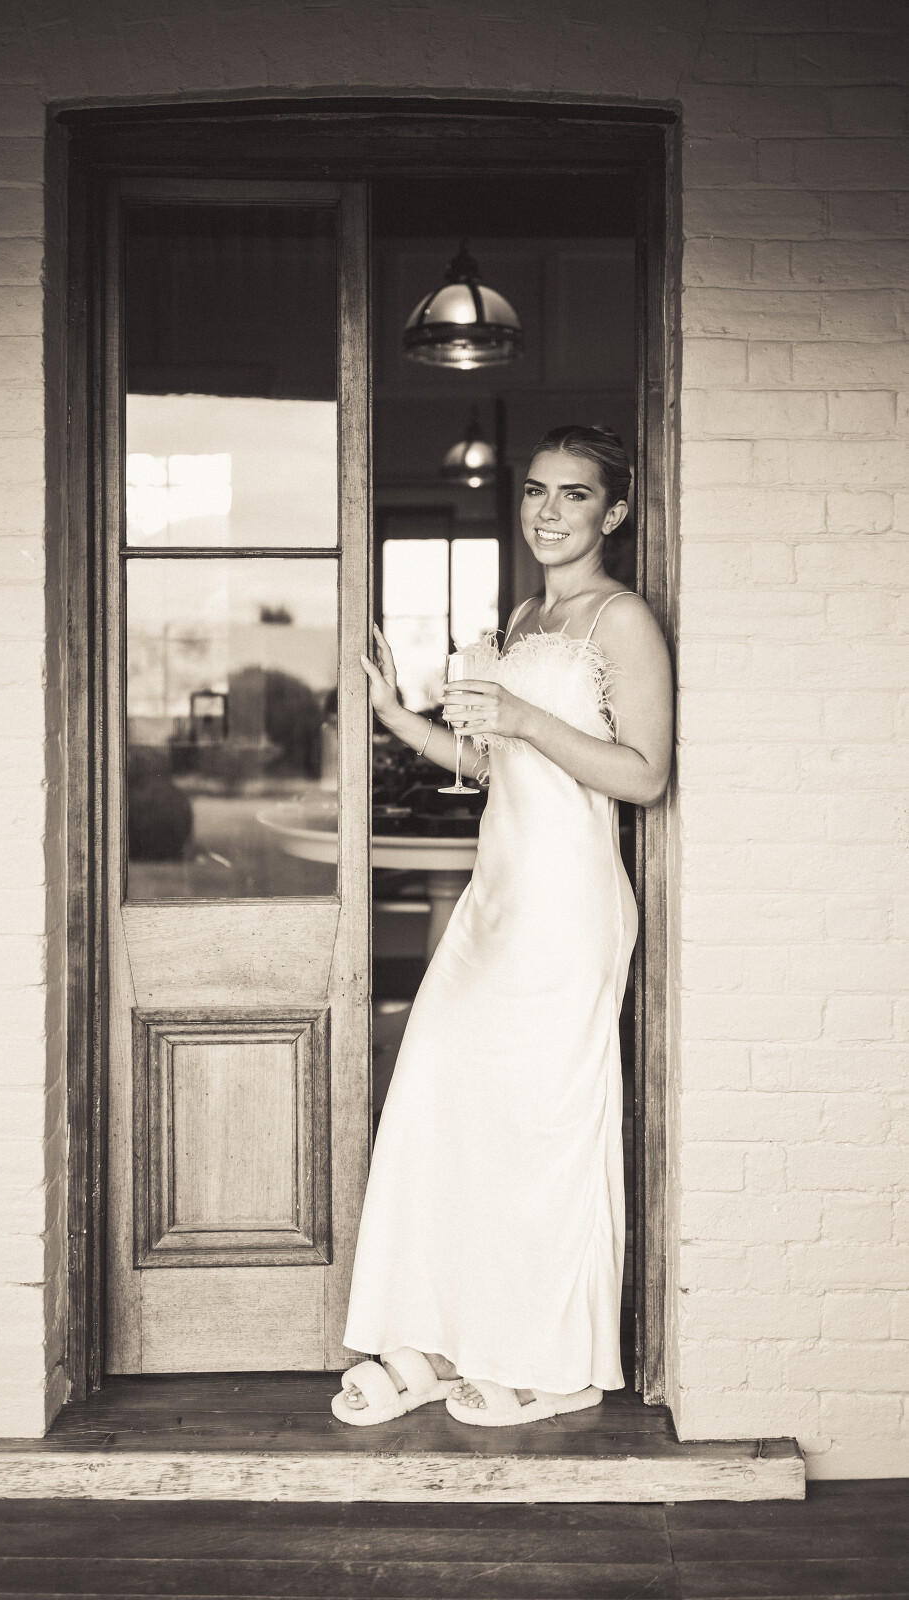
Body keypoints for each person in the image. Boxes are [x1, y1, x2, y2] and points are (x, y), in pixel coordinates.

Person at [332, 425, 673, 1428]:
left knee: (543, 1128)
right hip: (496, 899)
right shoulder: (525, 616)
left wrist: (524, 718)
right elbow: (492, 764)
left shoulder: (621, 619)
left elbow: (643, 776)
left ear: (613, 512)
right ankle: (440, 1337)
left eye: (574, 494)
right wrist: (398, 716)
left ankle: (555, 1365)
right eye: (535, 491)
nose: (547, 511)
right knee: (442, 1100)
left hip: (567, 907)